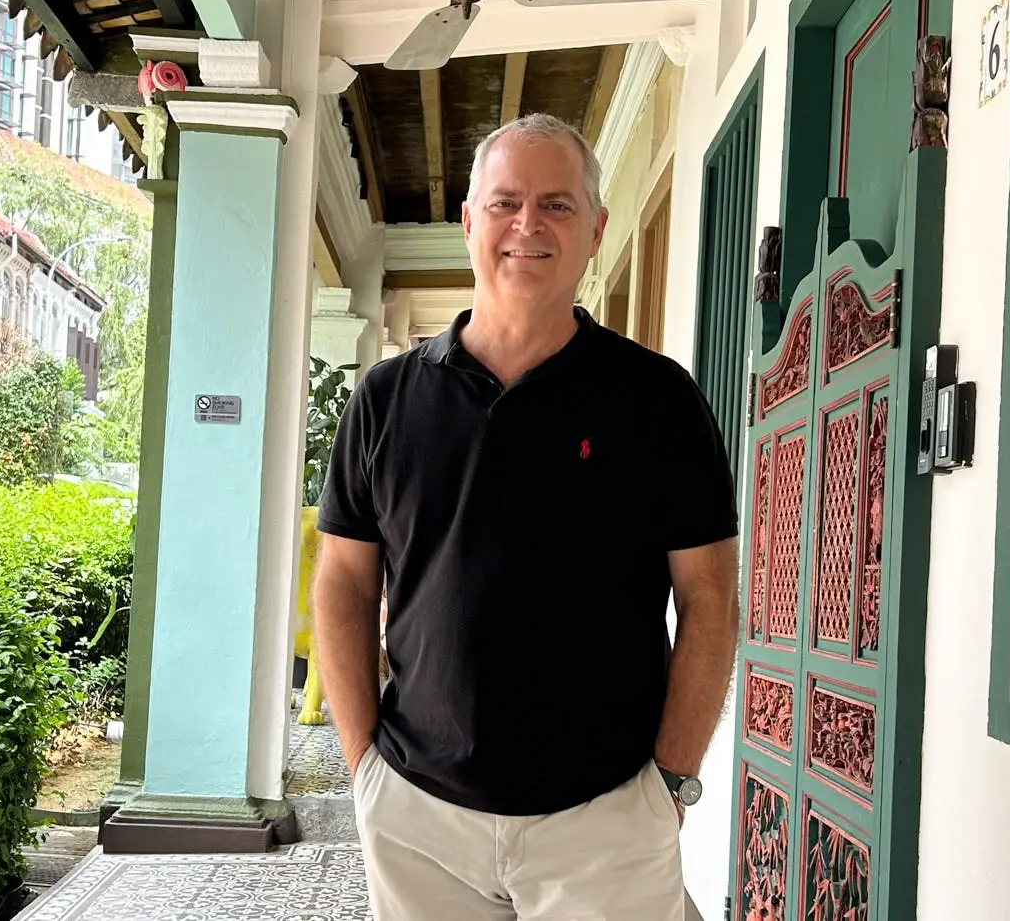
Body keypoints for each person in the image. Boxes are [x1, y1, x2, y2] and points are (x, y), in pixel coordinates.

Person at [312, 112, 739, 921]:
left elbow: (709, 597)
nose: (527, 225)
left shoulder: (657, 400)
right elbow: (342, 580)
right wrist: (362, 761)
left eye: (556, 205)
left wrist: (670, 782)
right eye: (504, 203)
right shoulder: (386, 399)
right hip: (419, 815)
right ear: (469, 221)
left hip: (604, 816)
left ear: (596, 230)